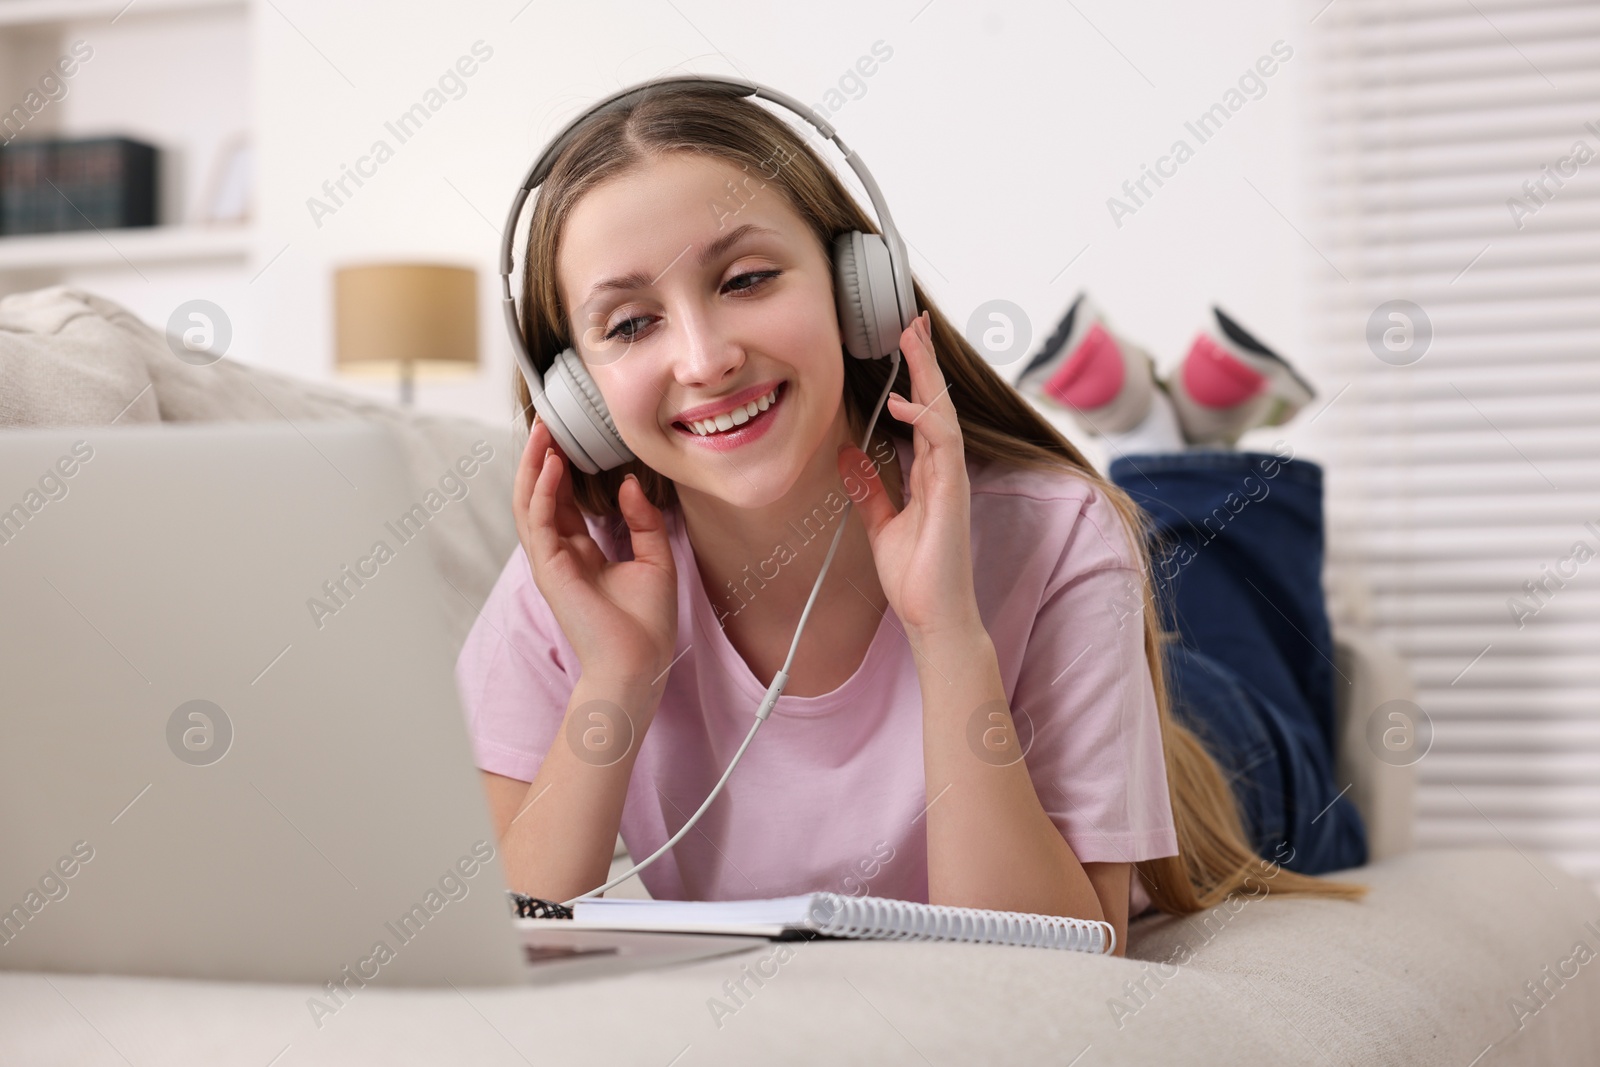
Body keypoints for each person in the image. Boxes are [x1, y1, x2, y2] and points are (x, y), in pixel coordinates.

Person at [455, 83, 1367, 959]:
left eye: (746, 278)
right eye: (627, 325)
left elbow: (1060, 957)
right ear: (571, 395)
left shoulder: (1056, 530)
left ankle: (1186, 451)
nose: (705, 358)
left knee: (1237, 635)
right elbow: (500, 934)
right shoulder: (576, 584)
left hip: (1216, 757)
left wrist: (948, 636)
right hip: (1076, 670)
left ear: (861, 290)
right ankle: (1167, 428)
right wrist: (617, 675)